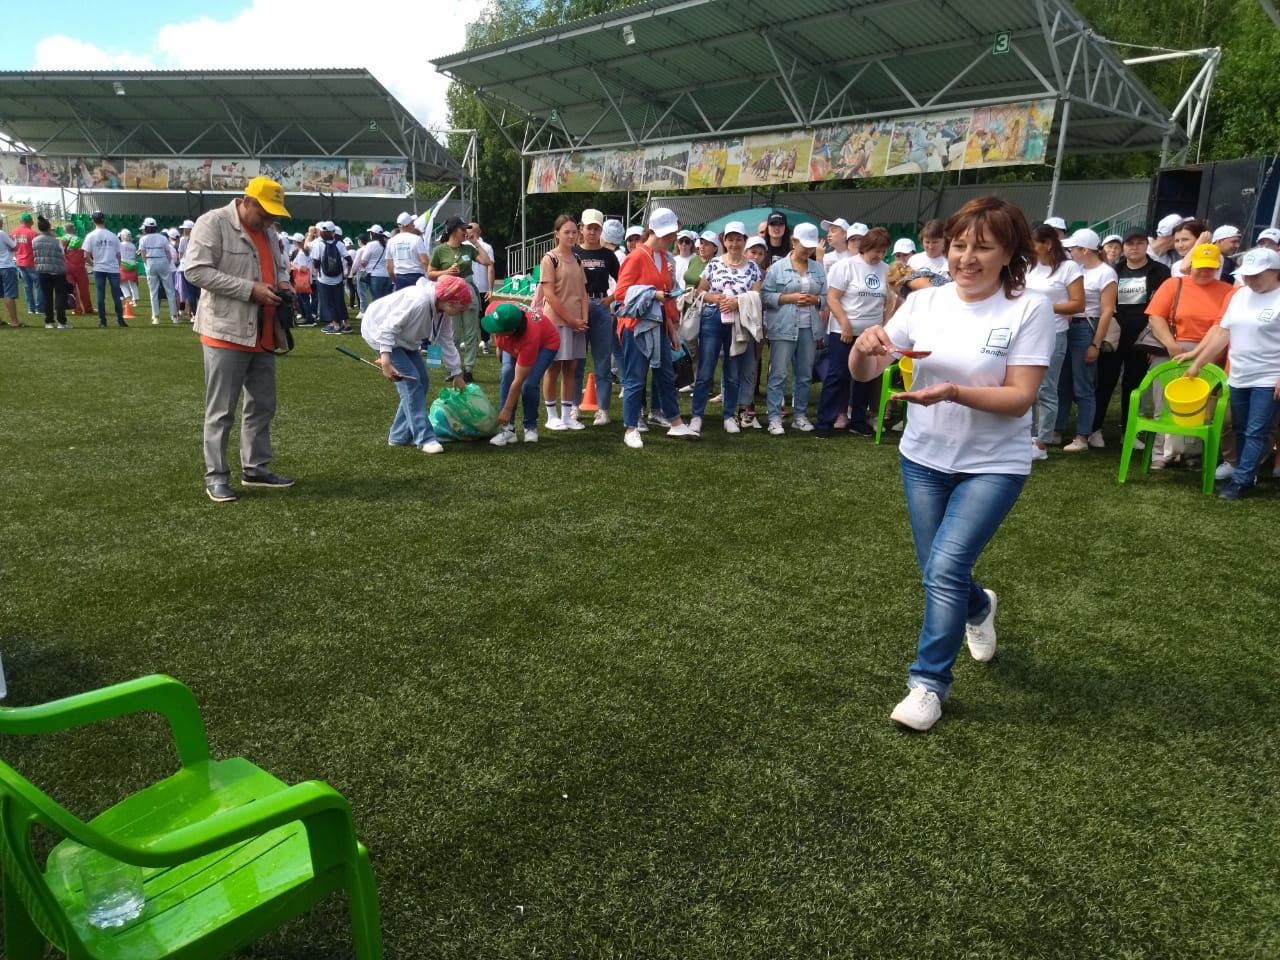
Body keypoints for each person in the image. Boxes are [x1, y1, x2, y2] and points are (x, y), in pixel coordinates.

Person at [850, 195, 1054, 732]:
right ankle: (978, 607)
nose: (966, 257)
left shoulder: (1029, 308)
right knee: (940, 570)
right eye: (960, 245)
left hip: (994, 464)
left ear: (1010, 252)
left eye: (982, 247)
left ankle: (927, 685)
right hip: (923, 458)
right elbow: (865, 371)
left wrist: (954, 393)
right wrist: (866, 343)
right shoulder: (924, 303)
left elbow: (1020, 398)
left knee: (943, 567)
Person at [184, 176, 295, 504]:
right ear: (246, 201)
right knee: (221, 410)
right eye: (265, 213)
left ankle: (256, 468)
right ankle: (216, 476)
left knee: (262, 404)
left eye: (274, 215)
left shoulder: (270, 232)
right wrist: (250, 290)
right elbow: (195, 271)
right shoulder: (212, 223)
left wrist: (284, 285)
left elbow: (280, 268)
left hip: (263, 332)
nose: (270, 221)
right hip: (225, 332)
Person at [1177, 247, 1280, 499]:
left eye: (1257, 275)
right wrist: (1198, 363)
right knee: (1241, 427)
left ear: (1275, 272)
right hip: (1240, 373)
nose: (1250, 280)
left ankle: (1242, 480)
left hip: (1269, 375)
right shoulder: (1239, 295)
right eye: (1246, 275)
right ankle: (1248, 472)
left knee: (1257, 429)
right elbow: (1223, 333)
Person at [613, 207, 699, 448]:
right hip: (635, 327)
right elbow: (621, 294)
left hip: (658, 325)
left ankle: (675, 422)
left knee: (665, 375)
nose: (672, 240)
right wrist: (654, 295)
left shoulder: (661, 257)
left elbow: (667, 296)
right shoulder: (637, 256)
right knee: (635, 378)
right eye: (670, 235)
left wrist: (672, 329)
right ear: (656, 233)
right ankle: (631, 427)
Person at [1143, 243, 1234, 467]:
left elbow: (1220, 326)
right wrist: (1171, 345)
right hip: (1171, 349)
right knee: (1163, 402)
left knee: (1201, 405)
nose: (1204, 272)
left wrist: (1200, 354)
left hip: (1211, 351)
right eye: (1199, 267)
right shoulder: (1174, 283)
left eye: (1210, 268)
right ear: (1190, 264)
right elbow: (1155, 316)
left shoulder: (1227, 291)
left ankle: (1192, 453)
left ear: (1217, 267)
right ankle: (1160, 454)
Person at [361, 275, 470, 454]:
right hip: (380, 333)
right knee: (412, 384)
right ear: (450, 302)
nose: (462, 312)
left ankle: (398, 435)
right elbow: (388, 328)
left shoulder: (443, 311)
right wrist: (386, 361)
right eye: (461, 308)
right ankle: (424, 438)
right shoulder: (418, 302)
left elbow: (446, 340)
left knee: (422, 382)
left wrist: (456, 373)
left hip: (405, 339)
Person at [1094, 229, 1169, 443]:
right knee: (1105, 381)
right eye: (1129, 243)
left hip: (1143, 337)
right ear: (1123, 247)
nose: (1134, 247)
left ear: (1147, 245)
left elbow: (1161, 306)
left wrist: (1155, 340)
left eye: (1139, 243)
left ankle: (1129, 432)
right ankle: (1095, 429)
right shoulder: (1113, 271)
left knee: (1133, 384)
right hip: (1115, 335)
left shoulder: (1160, 271)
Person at [818, 226, 892, 436]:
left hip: (870, 334)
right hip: (843, 331)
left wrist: (884, 327)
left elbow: (888, 300)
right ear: (866, 247)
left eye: (884, 251)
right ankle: (825, 421)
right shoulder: (846, 266)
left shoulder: (886, 269)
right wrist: (845, 324)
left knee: (864, 377)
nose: (880, 255)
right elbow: (832, 298)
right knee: (838, 375)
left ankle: (858, 420)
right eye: (876, 250)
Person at [691, 220, 762, 436]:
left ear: (744, 241)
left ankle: (729, 415)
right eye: (730, 239)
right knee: (705, 370)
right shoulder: (713, 264)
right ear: (724, 241)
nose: (734, 243)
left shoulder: (753, 267)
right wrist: (716, 298)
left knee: (732, 372)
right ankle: (697, 416)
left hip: (739, 322)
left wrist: (737, 302)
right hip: (712, 318)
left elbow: (757, 296)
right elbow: (699, 292)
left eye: (738, 239)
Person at [1024, 224, 1084, 460]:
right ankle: (1024, 437)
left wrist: (1043, 307)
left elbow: (1078, 304)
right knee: (1024, 386)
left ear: (1047, 244)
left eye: (1033, 243)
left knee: (1046, 388)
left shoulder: (1068, 267)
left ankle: (1041, 443)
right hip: (1026, 334)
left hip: (1054, 333)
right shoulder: (1028, 265)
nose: (1028, 248)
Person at [1055, 229, 1116, 453]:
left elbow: (1107, 310)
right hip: (1069, 325)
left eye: (1073, 249)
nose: (1070, 252)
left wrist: (1095, 344)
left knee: (1083, 385)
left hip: (1087, 327)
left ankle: (1082, 436)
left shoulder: (1106, 273)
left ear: (1084, 250)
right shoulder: (1077, 269)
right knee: (1062, 383)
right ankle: (1058, 429)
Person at [762, 222, 826, 434]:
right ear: (794, 241)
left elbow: (827, 298)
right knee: (779, 373)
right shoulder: (778, 267)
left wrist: (816, 300)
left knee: (805, 374)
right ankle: (774, 417)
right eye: (804, 245)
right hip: (783, 326)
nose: (808, 250)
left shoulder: (817, 268)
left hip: (809, 327)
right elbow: (765, 296)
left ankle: (800, 415)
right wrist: (789, 298)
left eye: (811, 247)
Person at [535, 214, 589, 430]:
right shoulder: (550, 258)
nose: (571, 235)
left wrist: (583, 318)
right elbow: (549, 294)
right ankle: (551, 415)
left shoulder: (577, 259)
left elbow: (583, 292)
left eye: (574, 231)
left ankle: (567, 415)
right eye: (566, 232)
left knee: (572, 367)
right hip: (556, 321)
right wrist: (571, 319)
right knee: (554, 366)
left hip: (576, 322)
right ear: (556, 234)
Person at [487, 302, 561, 446]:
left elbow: (519, 380)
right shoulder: (493, 309)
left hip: (545, 344)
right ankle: (507, 430)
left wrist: (506, 410)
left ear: (511, 331)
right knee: (507, 372)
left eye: (498, 330)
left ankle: (530, 426)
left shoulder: (530, 337)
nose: (494, 332)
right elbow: (494, 326)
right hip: (516, 339)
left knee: (529, 384)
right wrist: (499, 347)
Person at [429, 216, 492, 382]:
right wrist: (446, 272)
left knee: (471, 333)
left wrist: (476, 243)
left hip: (468, 290)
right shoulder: (440, 250)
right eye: (463, 229)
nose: (466, 232)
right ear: (453, 231)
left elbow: (487, 262)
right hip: (450, 293)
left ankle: (469, 368)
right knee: (452, 334)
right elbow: (430, 273)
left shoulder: (468, 249)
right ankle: (454, 368)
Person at [573, 208, 619, 425]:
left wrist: (610, 300)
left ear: (601, 230)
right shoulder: (573, 254)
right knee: (576, 360)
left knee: (602, 362)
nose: (592, 231)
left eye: (596, 228)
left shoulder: (608, 255)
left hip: (600, 307)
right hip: (577, 308)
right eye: (588, 227)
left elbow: (624, 281)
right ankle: (573, 407)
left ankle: (602, 409)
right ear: (581, 228)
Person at [82, 211, 126, 328]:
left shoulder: (90, 236)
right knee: (116, 294)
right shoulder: (112, 235)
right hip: (113, 268)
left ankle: (102, 321)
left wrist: (93, 264)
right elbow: (118, 255)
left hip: (99, 268)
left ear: (93, 221)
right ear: (104, 220)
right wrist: (118, 265)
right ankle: (120, 319)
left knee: (100, 294)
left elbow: (85, 256)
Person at [308, 222, 349, 334]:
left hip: (324, 278)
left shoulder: (318, 244)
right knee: (340, 301)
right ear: (333, 232)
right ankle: (346, 324)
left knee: (329, 302)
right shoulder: (339, 244)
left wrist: (316, 273)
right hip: (338, 278)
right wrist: (347, 273)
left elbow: (316, 262)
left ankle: (335, 326)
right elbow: (349, 259)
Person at [138, 218, 178, 324]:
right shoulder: (162, 238)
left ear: (146, 228)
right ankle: (174, 316)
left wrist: (147, 264)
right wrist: (167, 264)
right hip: (163, 261)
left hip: (151, 262)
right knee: (170, 291)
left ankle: (156, 316)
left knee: (153, 292)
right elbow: (168, 254)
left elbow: (143, 254)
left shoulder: (143, 239)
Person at [32, 216, 69, 329]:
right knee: (60, 296)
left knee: (47, 297)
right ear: (49, 228)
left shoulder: (34, 240)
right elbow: (62, 254)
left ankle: (49, 321)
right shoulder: (56, 241)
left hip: (42, 271)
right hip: (57, 271)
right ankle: (61, 322)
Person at [386, 213, 429, 290]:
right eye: (412, 223)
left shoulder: (391, 241)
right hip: (417, 277)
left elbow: (389, 266)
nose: (414, 225)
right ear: (407, 225)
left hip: (399, 278)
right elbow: (424, 261)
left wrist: (394, 280)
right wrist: (429, 277)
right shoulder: (417, 239)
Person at [11, 212, 42, 316]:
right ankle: (39, 308)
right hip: (31, 262)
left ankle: (30, 308)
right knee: (39, 285)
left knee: (27, 286)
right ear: (30, 221)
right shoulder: (33, 233)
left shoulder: (14, 233)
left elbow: (11, 246)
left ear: (21, 221)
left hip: (20, 262)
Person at [61, 223, 93, 317]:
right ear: (73, 229)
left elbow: (61, 253)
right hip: (80, 267)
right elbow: (86, 254)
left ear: (65, 230)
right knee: (84, 288)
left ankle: (77, 309)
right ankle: (88, 308)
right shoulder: (81, 240)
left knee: (72, 289)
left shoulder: (62, 240)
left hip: (67, 266)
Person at [288, 234, 315, 326]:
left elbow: (303, 268)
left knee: (305, 300)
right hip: (306, 280)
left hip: (303, 281)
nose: (293, 243)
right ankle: (307, 317)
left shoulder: (301, 254)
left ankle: (309, 319)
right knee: (304, 299)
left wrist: (293, 265)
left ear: (297, 243)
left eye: (294, 241)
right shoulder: (304, 252)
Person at [0, 215, 20, 327]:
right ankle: (14, 321)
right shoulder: (2, 233)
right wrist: (13, 239)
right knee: (9, 294)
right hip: (6, 266)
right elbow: (15, 247)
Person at [363, 226, 392, 301]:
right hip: (387, 276)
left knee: (376, 300)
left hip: (375, 275)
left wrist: (366, 267)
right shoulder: (388, 244)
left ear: (373, 234)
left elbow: (363, 261)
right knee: (386, 300)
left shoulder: (371, 245)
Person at [176, 219, 198, 319]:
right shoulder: (197, 239)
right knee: (196, 292)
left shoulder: (183, 239)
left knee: (185, 292)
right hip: (194, 266)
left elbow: (180, 253)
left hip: (183, 267)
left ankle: (191, 313)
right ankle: (193, 313)